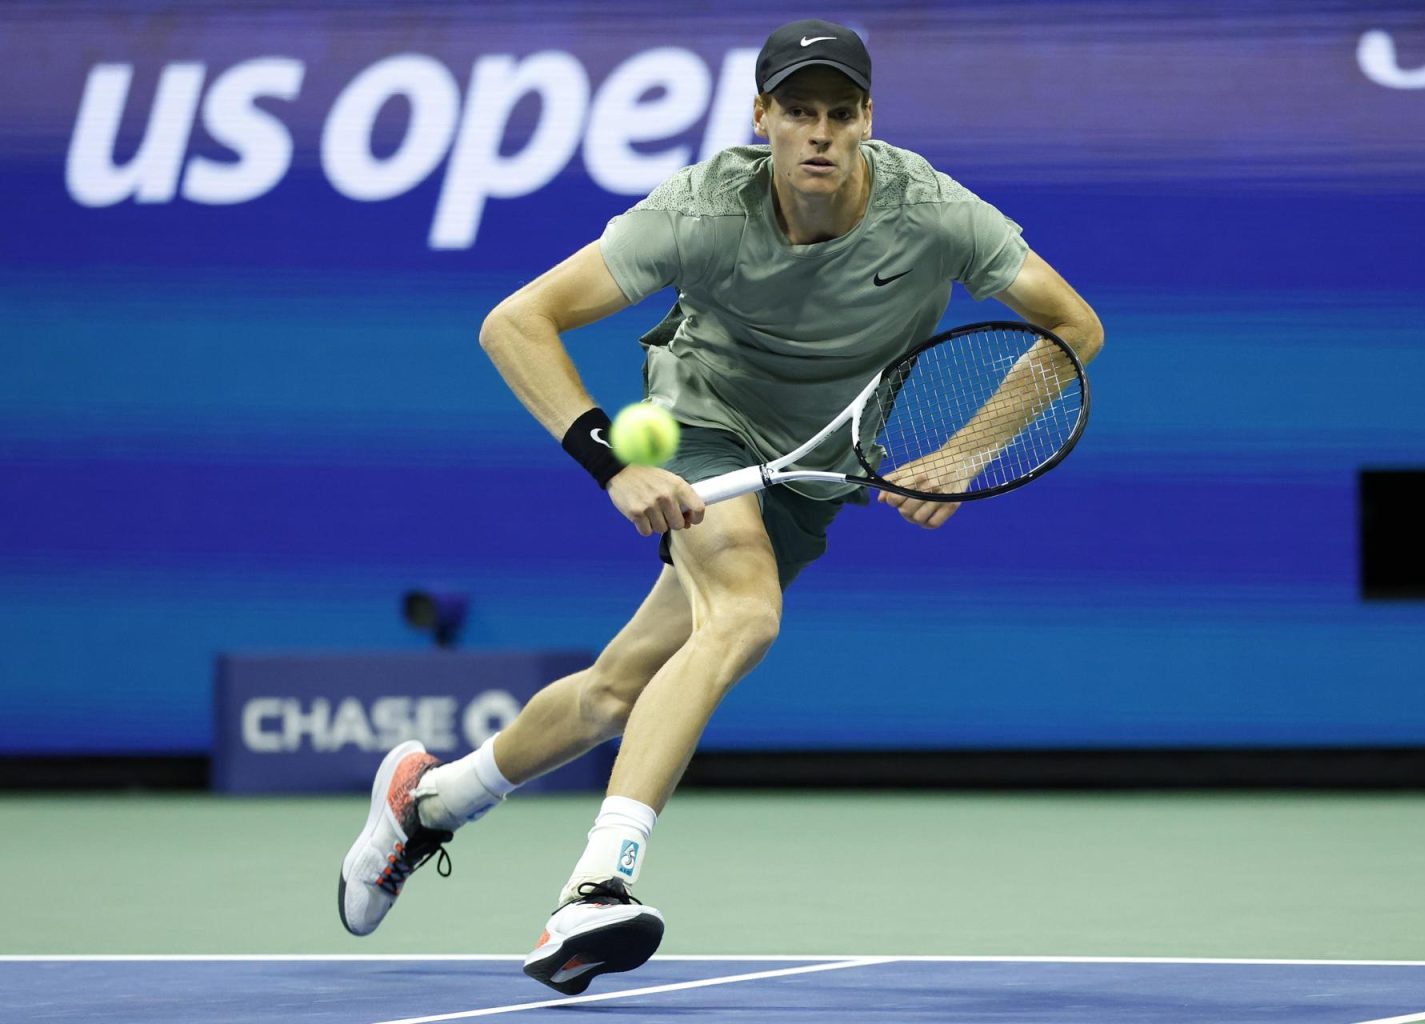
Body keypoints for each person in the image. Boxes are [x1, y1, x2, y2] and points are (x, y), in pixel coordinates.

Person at [337, 18, 1103, 994]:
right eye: (798, 111)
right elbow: (515, 322)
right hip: (702, 420)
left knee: (620, 688)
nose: (819, 132)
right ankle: (596, 888)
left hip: (810, 475)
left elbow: (1074, 326)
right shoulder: (701, 212)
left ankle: (429, 801)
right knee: (744, 614)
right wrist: (613, 461)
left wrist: (962, 454)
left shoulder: (935, 213)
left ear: (867, 118)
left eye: (840, 112)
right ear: (762, 118)